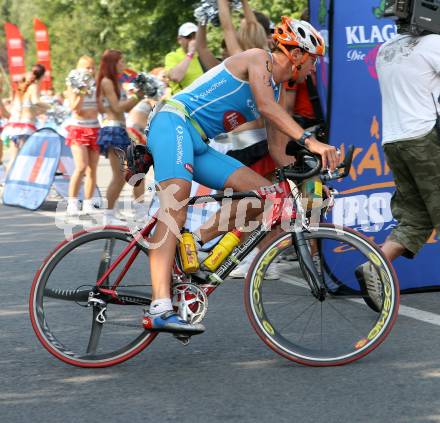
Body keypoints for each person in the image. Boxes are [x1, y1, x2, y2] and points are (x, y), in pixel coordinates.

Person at [143, 17, 337, 334]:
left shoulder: (276, 91)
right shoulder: (259, 58)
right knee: (174, 208)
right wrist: (311, 141)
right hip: (173, 122)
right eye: (313, 61)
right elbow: (265, 107)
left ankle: (200, 249)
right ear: (297, 54)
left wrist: (311, 180)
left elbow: (278, 150)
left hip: (199, 142)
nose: (313, 70)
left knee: (267, 196)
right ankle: (159, 307)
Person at [359, 20, 440, 310]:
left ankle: (375, 265)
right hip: (425, 139)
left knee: (416, 218)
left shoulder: (386, 50)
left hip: (394, 141)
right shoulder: (433, 45)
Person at [96, 49, 143, 224]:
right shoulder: (107, 82)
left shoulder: (116, 82)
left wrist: (139, 96)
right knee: (120, 175)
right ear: (112, 63)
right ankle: (108, 215)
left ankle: (120, 212)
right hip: (112, 130)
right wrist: (137, 95)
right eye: (120, 62)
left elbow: (126, 108)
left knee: (132, 172)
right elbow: (117, 108)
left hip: (120, 129)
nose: (123, 65)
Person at [65, 56, 101, 216]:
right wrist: (80, 91)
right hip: (78, 128)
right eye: (87, 67)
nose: (90, 71)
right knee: (81, 167)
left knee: (92, 169)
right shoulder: (73, 84)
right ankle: (72, 202)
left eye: (92, 67)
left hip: (95, 128)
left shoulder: (97, 85)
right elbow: (74, 107)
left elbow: (102, 106)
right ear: (79, 68)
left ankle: (88, 203)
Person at [1, 64, 47, 171]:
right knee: (25, 158)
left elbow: (15, 108)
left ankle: (8, 183)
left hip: (13, 126)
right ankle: (22, 183)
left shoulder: (21, 88)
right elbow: (36, 101)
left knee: (14, 157)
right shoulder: (34, 86)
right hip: (25, 127)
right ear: (42, 76)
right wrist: (48, 106)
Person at [165, 22, 204, 95]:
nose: (193, 40)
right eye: (188, 37)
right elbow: (175, 77)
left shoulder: (202, 54)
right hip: (186, 102)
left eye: (195, 37)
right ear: (179, 40)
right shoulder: (172, 56)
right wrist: (190, 54)